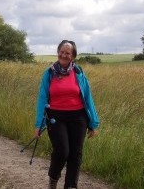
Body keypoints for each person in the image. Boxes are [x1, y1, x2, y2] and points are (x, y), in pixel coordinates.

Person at [34, 40, 100, 189]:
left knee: (75, 154)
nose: (63, 55)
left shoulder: (79, 73)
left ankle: (71, 186)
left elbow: (88, 97)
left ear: (73, 56)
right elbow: (42, 99)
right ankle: (53, 178)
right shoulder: (49, 73)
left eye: (67, 53)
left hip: (78, 117)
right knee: (62, 151)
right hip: (55, 117)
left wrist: (93, 123)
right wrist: (39, 124)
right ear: (58, 52)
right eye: (61, 51)